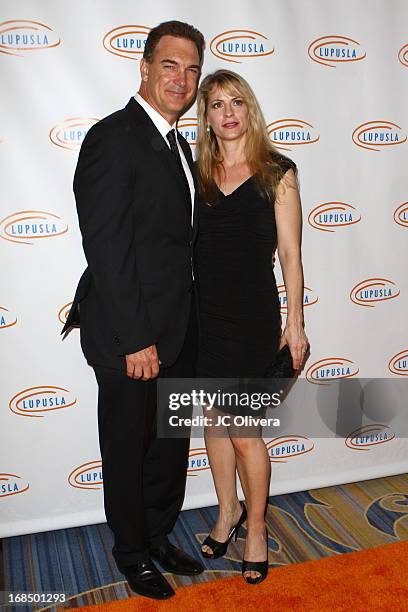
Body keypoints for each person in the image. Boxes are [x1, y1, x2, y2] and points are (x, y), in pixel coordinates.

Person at [62, 21, 205, 600]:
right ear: (143, 68)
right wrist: (135, 337)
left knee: (169, 444)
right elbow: (108, 246)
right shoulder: (112, 137)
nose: (183, 79)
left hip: (179, 326)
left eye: (192, 69)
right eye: (170, 65)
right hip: (132, 332)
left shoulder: (179, 143)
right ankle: (130, 551)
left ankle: (157, 534)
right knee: (127, 444)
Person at [195, 69, 309, 584]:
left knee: (244, 432)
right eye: (217, 105)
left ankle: (257, 529)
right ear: (208, 116)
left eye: (236, 102)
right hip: (203, 316)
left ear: (250, 108)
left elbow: (289, 254)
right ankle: (227, 513)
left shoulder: (277, 171)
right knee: (214, 425)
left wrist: (297, 323)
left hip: (252, 319)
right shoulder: (195, 169)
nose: (228, 113)